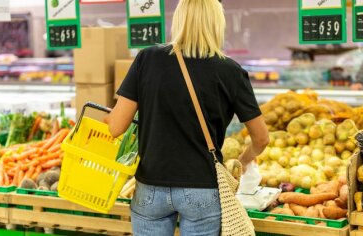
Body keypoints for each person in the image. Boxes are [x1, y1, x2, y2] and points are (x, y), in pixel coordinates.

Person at [104, 0, 269, 235]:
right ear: (217, 24)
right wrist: (243, 161)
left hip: (151, 186)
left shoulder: (147, 59)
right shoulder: (231, 71)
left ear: (179, 20)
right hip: (203, 187)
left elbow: (116, 127)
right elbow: (261, 138)